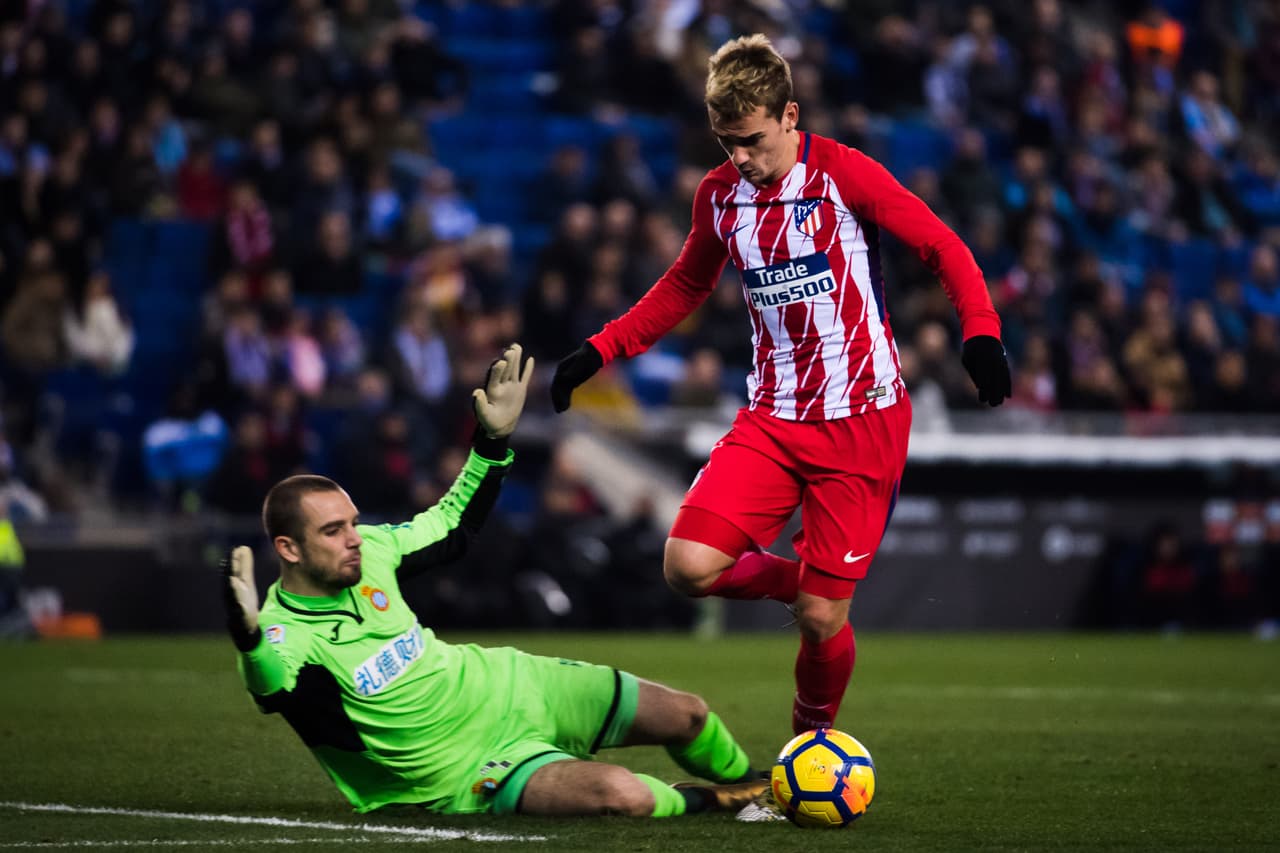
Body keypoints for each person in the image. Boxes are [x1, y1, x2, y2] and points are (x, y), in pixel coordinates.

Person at [550, 33, 1011, 808]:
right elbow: (683, 287)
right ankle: (819, 587)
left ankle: (803, 746)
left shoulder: (845, 175)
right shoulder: (718, 198)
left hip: (861, 421)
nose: (742, 159)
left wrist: (982, 332)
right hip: (772, 417)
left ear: (790, 115)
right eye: (727, 144)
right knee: (687, 565)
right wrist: (600, 349)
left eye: (754, 141)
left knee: (821, 621)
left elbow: (943, 245)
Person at [220, 343, 765, 818]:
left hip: (510, 685)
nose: (355, 538)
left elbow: (452, 523)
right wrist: (248, 642)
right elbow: (273, 687)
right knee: (623, 797)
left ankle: (763, 786)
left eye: (353, 523)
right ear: (288, 548)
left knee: (687, 714)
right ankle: (716, 802)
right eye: (334, 531)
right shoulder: (283, 635)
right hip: (467, 768)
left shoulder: (376, 550)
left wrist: (491, 442)